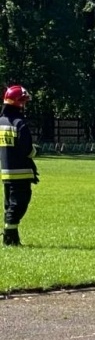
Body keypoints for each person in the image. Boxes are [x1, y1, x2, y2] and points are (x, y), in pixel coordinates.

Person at [1, 85, 40, 246]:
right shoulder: (19, 123)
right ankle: (9, 236)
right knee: (19, 204)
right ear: (20, 103)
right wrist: (36, 152)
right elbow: (27, 149)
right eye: (24, 102)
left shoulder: (1, 122)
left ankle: (11, 237)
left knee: (10, 204)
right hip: (21, 172)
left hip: (6, 172)